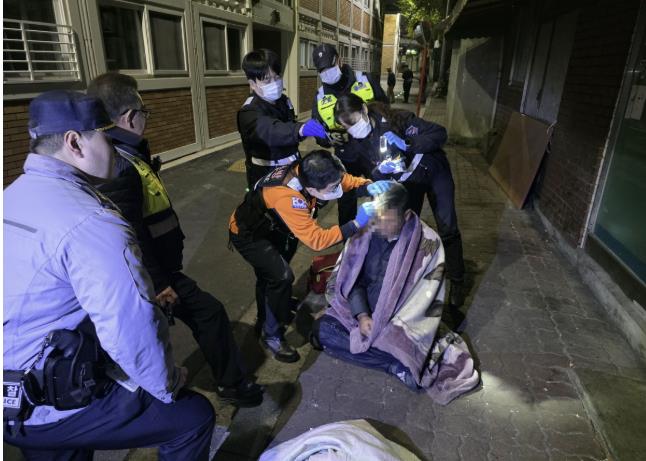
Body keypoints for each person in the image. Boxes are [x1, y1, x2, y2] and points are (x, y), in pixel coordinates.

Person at [3, 90, 214, 460]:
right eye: (108, 137)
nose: (116, 149)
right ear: (74, 143)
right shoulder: (91, 221)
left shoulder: (11, 197)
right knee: (192, 417)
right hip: (48, 405)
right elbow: (130, 326)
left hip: (14, 397)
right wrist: (167, 383)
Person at [87, 72, 264, 407]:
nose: (146, 119)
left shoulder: (121, 154)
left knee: (182, 322)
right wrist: (159, 282)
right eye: (144, 113)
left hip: (155, 271)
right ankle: (229, 385)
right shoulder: (119, 165)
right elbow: (129, 234)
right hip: (151, 274)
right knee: (208, 314)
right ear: (129, 117)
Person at [312, 183, 479, 404]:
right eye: (376, 218)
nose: (379, 226)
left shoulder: (428, 243)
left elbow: (424, 301)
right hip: (363, 314)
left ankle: (397, 360)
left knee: (398, 344)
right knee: (320, 331)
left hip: (399, 320)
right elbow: (352, 280)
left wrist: (385, 324)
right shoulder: (364, 230)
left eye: (387, 220)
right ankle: (393, 365)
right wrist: (362, 315)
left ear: (406, 215)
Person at [228, 150, 393, 362]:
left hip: (278, 229)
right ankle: (271, 334)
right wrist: (355, 223)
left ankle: (276, 306)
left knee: (271, 277)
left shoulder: (309, 170)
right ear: (312, 189)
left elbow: (343, 181)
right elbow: (317, 240)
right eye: (332, 188)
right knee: (281, 277)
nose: (337, 189)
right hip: (250, 234)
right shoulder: (286, 197)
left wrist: (367, 185)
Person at [333, 93, 466, 308]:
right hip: (408, 182)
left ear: (364, 110)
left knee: (447, 225)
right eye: (347, 127)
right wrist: (379, 173)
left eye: (354, 121)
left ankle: (457, 279)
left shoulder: (398, 119)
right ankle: (410, 278)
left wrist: (408, 144)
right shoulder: (357, 145)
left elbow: (439, 133)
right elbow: (360, 181)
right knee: (407, 229)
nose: (353, 129)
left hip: (434, 172)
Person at [311, 43, 389, 226]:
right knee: (346, 203)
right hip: (345, 157)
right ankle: (349, 239)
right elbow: (319, 133)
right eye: (322, 70)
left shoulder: (365, 80)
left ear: (339, 60)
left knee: (382, 197)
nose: (327, 72)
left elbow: (386, 109)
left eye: (330, 66)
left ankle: (382, 236)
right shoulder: (320, 96)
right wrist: (327, 138)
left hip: (374, 153)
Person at [238, 48, 328, 188]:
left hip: (293, 168)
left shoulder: (283, 100)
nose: (274, 83)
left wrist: (307, 130)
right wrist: (300, 129)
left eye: (277, 77)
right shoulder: (249, 112)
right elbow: (271, 130)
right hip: (267, 176)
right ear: (252, 84)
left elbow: (289, 126)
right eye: (267, 80)